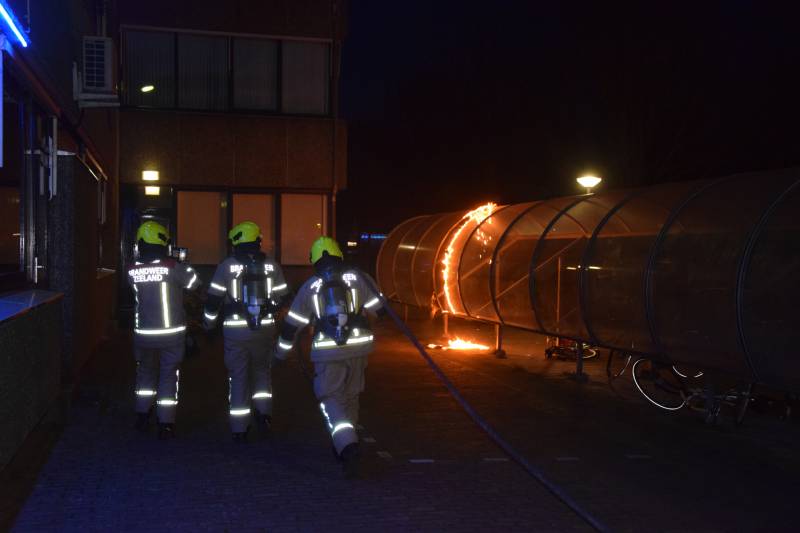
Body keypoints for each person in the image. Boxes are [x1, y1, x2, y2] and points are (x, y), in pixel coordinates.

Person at [275, 236, 385, 477]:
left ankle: (347, 446)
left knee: (329, 398)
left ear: (314, 260)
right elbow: (380, 309)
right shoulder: (357, 278)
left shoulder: (310, 286)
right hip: (359, 348)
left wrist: (280, 355)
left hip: (327, 351)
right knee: (351, 396)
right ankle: (348, 441)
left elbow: (291, 326)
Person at [203, 221, 290, 442]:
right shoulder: (272, 266)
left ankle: (240, 429)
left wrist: (209, 327)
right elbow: (284, 298)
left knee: (238, 378)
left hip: (235, 332)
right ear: (257, 241)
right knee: (262, 374)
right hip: (265, 331)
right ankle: (265, 417)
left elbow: (213, 301)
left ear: (237, 242)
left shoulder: (226, 266)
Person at [127, 221, 201, 439]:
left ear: (141, 243)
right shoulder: (173, 268)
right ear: (163, 242)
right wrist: (181, 262)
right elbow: (194, 283)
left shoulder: (132, 270)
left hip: (143, 334)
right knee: (169, 375)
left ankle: (142, 414)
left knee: (145, 374)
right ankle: (165, 423)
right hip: (171, 334)